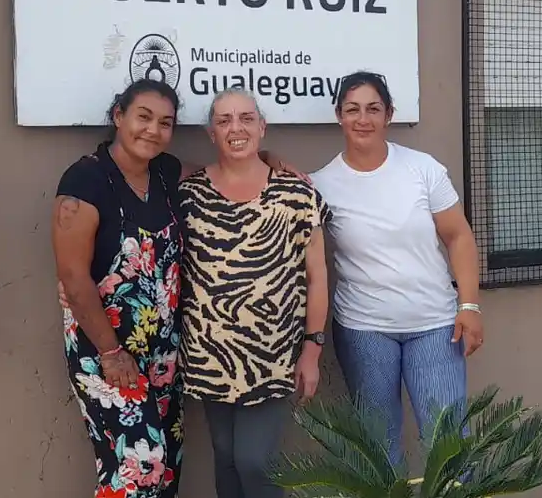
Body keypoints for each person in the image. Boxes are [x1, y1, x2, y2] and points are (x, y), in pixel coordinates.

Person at [50, 79, 302, 498]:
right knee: (138, 468)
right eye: (143, 117)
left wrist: (264, 157)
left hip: (165, 353)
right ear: (119, 117)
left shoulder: (164, 173)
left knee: (166, 466)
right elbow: (74, 279)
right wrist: (111, 353)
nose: (152, 130)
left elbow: (222, 171)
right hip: (108, 352)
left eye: (164, 122)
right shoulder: (85, 181)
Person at [308, 71, 484, 468]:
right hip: (364, 330)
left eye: (373, 109)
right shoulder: (321, 185)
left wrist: (470, 305)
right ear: (339, 116)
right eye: (352, 109)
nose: (363, 119)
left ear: (389, 114)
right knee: (378, 449)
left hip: (435, 325)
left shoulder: (422, 169)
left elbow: (458, 236)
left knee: (448, 443)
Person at [177, 88, 330, 498]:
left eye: (246, 118)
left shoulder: (297, 194)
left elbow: (317, 277)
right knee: (225, 459)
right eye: (224, 120)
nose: (236, 128)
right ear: (211, 133)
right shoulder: (188, 194)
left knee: (254, 461)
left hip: (273, 354)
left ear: (262, 127)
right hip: (209, 355)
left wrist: (312, 348)